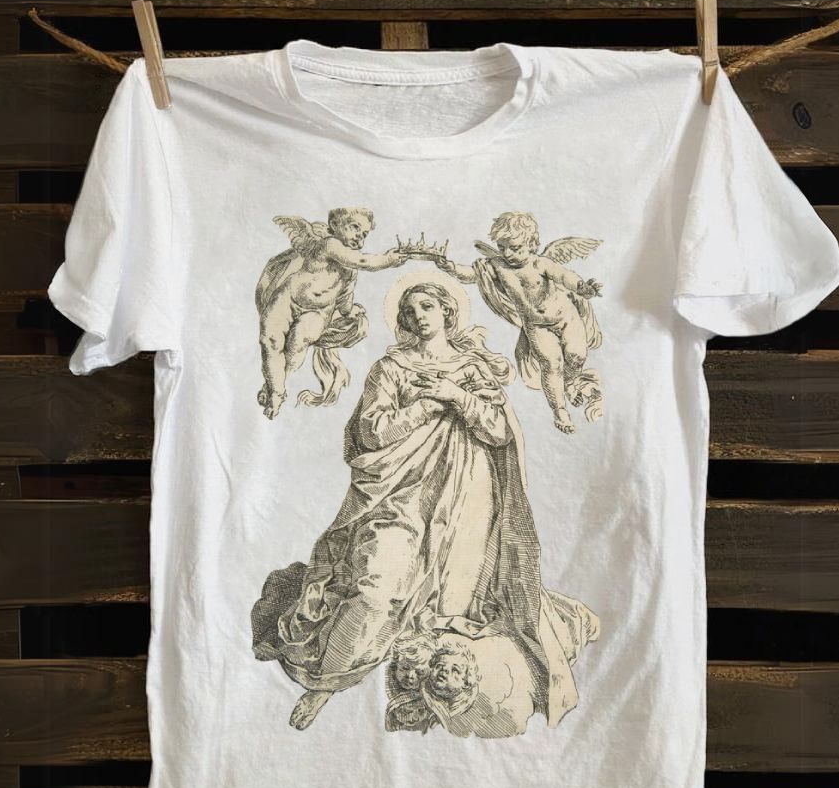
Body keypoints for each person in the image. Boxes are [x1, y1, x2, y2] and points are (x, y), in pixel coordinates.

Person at [251, 279, 599, 733]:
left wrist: (459, 396)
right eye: (410, 309)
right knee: (376, 591)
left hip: (466, 496)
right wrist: (428, 404)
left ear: (448, 312)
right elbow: (372, 433)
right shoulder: (390, 368)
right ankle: (326, 680)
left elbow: (498, 431)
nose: (419, 315)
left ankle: (421, 699)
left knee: (447, 611)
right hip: (398, 496)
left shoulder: (474, 368)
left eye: (428, 306)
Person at [436, 211, 605, 433]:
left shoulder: (540, 263)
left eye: (515, 248)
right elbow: (470, 274)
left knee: (576, 356)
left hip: (567, 318)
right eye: (502, 247)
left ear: (531, 244)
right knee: (550, 364)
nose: (508, 253)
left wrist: (582, 287)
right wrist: (449, 266)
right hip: (537, 326)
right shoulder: (497, 266)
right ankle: (559, 411)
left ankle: (571, 383)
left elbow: (564, 276)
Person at [255, 206, 407, 417]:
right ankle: (275, 386)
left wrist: (349, 311)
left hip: (318, 312)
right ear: (334, 225)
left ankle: (276, 390)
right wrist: (388, 260)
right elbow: (363, 261)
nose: (359, 236)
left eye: (364, 234)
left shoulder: (350, 269)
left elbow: (345, 297)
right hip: (287, 298)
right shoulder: (329, 244)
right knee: (269, 341)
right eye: (355, 227)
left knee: (297, 344)